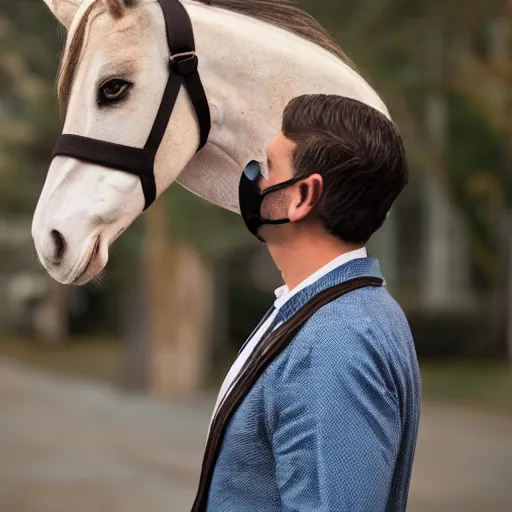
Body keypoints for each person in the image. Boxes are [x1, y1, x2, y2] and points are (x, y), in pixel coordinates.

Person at [193, 94, 421, 512]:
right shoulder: (335, 308)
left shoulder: (334, 343)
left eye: (268, 166)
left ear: (303, 195)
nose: (253, 179)